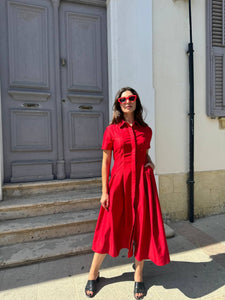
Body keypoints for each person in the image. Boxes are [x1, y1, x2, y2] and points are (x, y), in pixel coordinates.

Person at [85, 87, 170, 299]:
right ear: (118, 104)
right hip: (118, 186)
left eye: (131, 98)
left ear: (136, 102)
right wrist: (104, 191)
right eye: (123, 99)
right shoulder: (112, 130)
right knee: (107, 229)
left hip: (142, 185)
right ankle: (93, 273)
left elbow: (144, 152)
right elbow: (106, 162)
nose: (127, 102)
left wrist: (150, 162)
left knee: (141, 229)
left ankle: (139, 274)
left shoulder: (146, 130)